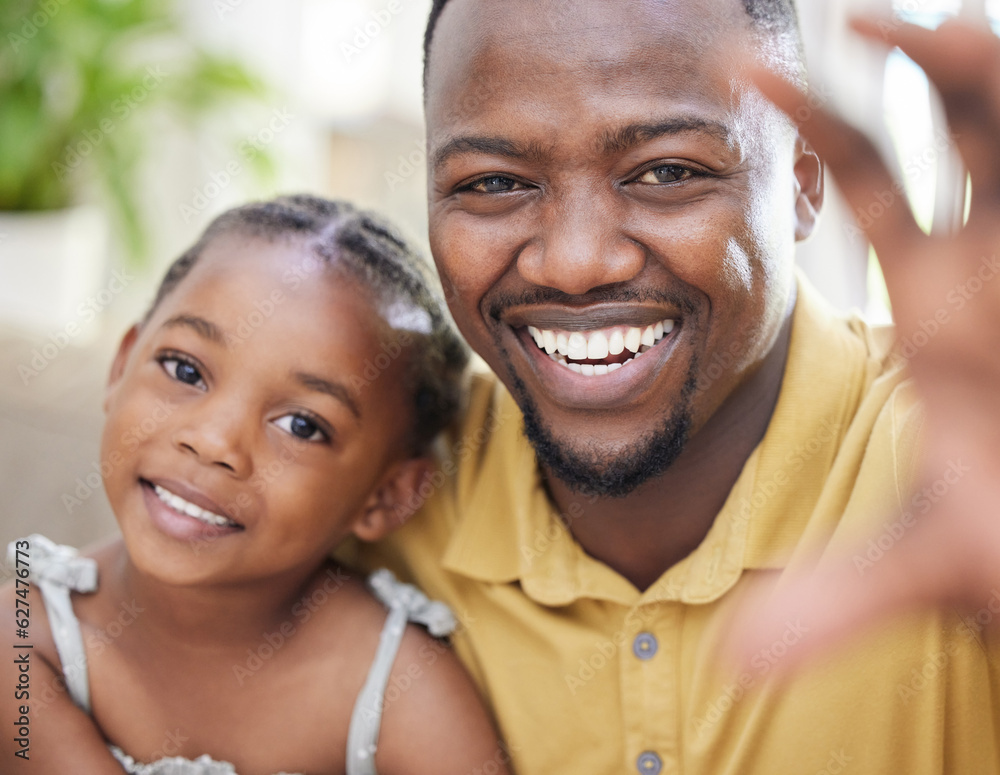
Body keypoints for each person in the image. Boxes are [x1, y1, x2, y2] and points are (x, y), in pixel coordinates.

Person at [343, 1, 1000, 773]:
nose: (576, 263)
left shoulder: (956, 459)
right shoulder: (375, 488)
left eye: (667, 172)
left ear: (799, 190)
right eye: (492, 181)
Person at [0, 195, 511, 775]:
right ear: (120, 368)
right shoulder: (22, 637)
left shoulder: (397, 686)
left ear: (386, 496)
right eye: (184, 370)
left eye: (302, 426)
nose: (214, 442)